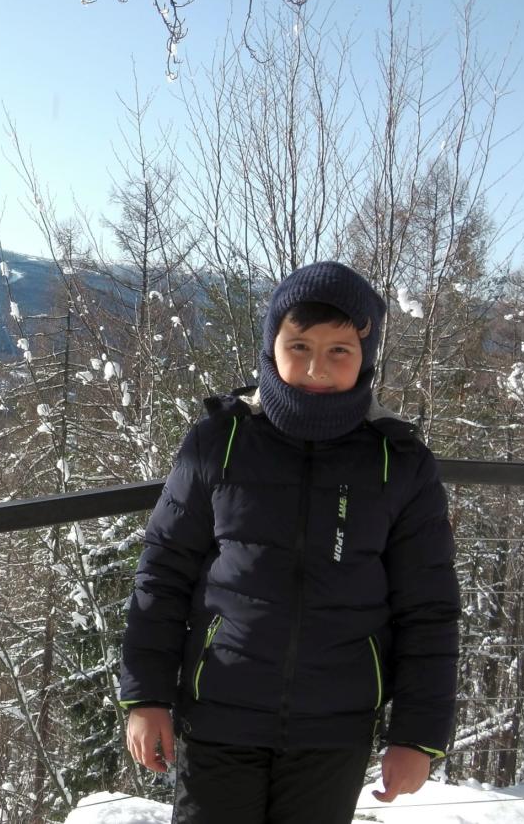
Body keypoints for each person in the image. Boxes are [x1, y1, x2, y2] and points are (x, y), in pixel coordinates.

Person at [119, 261, 460, 824]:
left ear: (365, 357)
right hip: (220, 715)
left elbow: (429, 609)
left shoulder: (398, 463)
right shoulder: (220, 442)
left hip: (334, 732)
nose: (315, 369)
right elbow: (162, 572)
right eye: (298, 346)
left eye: (338, 350)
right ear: (271, 344)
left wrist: (416, 736)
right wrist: (147, 696)